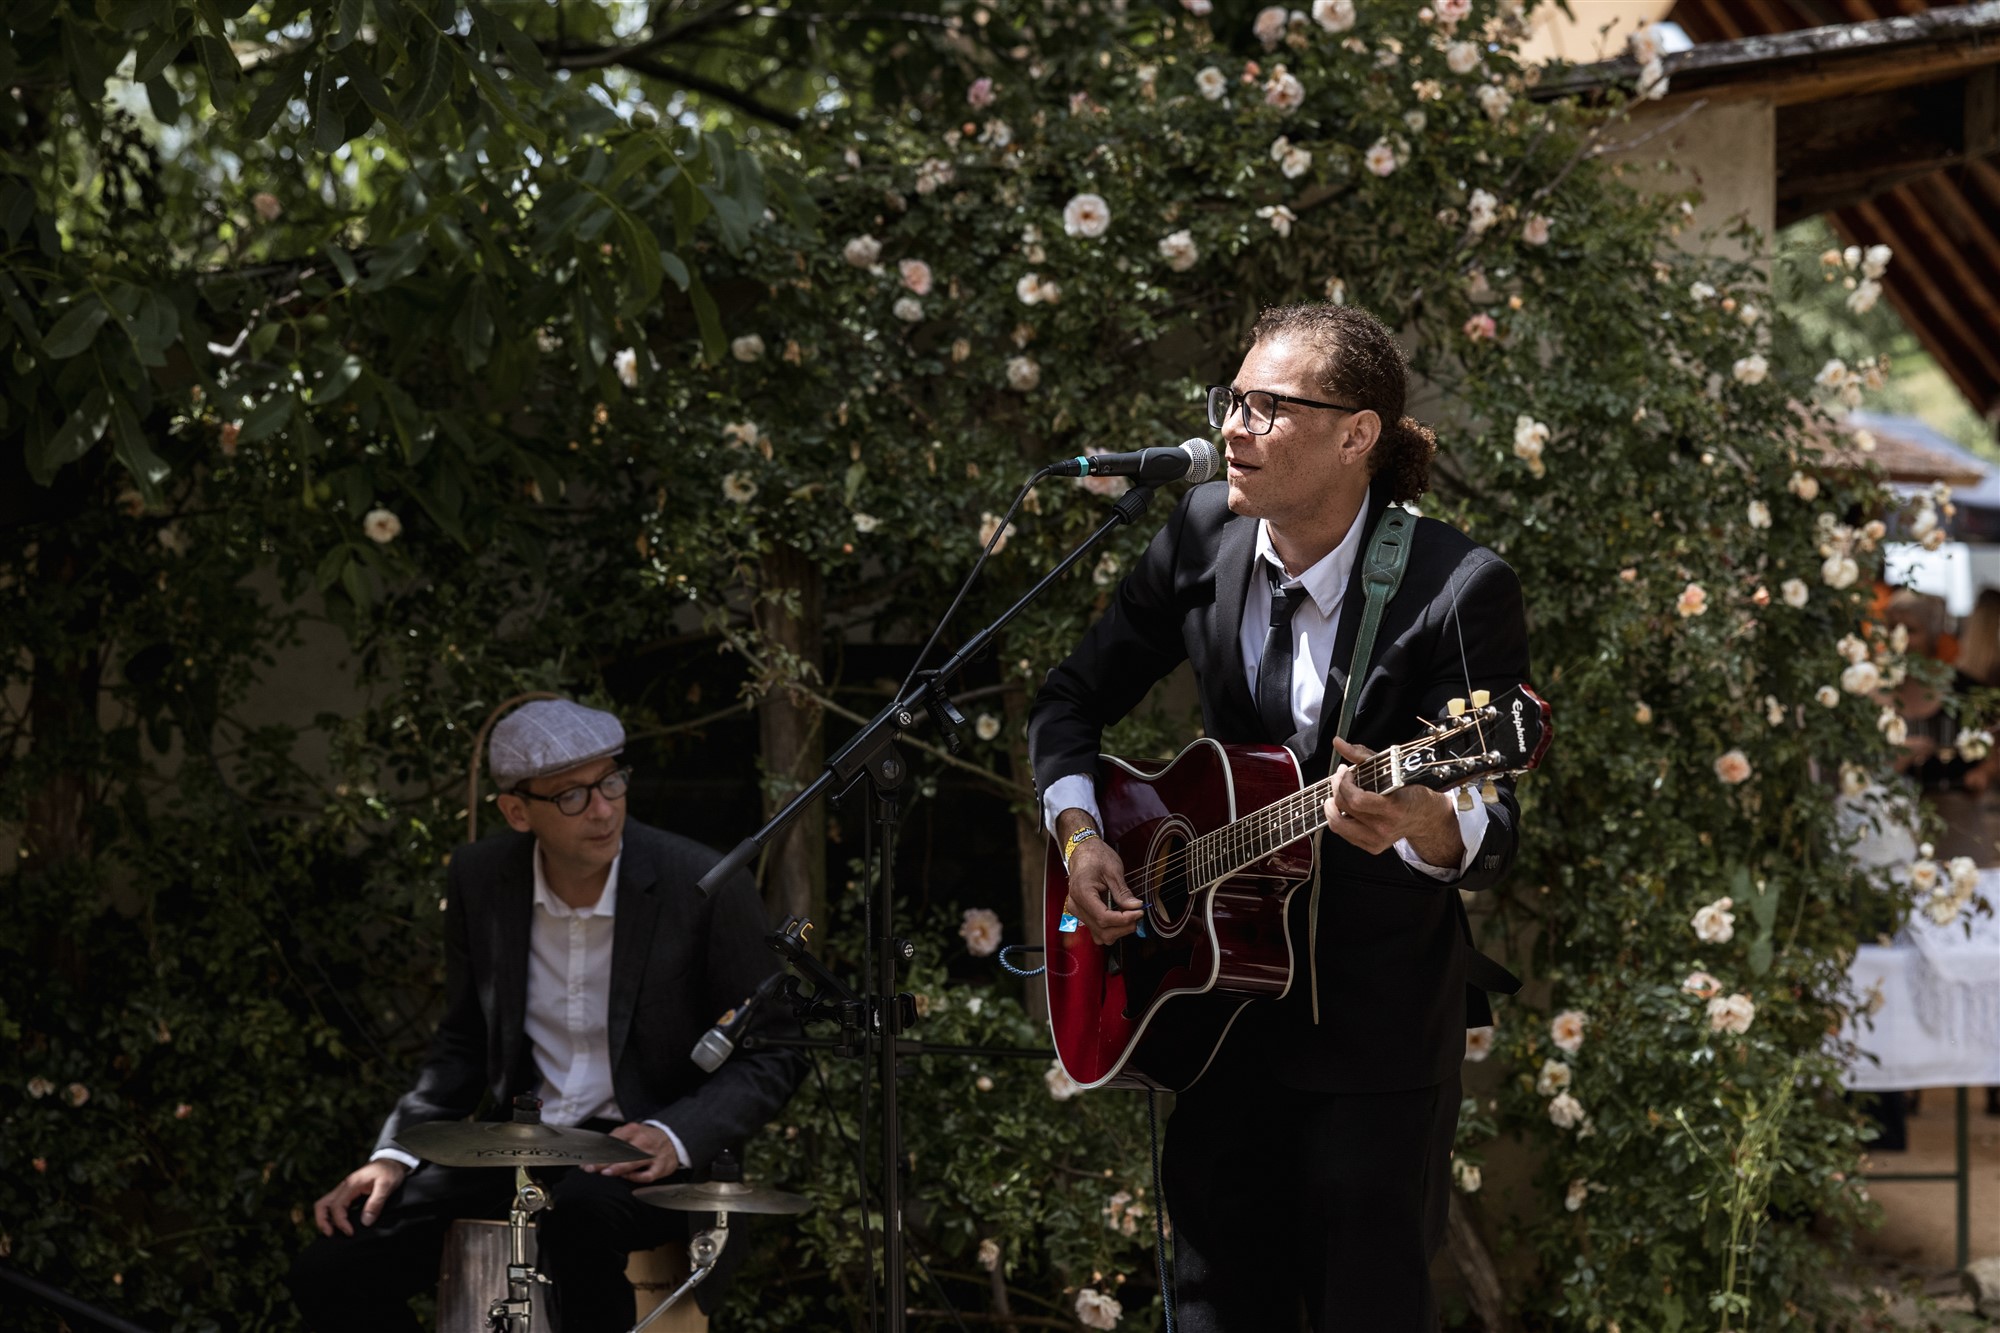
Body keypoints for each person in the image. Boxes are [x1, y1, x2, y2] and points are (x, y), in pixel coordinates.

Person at [1029, 303, 1530, 1333]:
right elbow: (1067, 704)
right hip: (1213, 1020)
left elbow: (1490, 824)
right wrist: (1083, 837)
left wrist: (1422, 822)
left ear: (1357, 435)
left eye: (1266, 405)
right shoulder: (1201, 534)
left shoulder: (1453, 588)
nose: (1232, 428)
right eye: (1231, 400)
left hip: (1373, 1039)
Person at [288, 699, 801, 1333]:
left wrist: (676, 1134)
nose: (604, 808)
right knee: (331, 1271)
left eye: (611, 781)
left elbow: (775, 1049)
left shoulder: (699, 882)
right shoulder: (482, 879)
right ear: (516, 810)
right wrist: (394, 1153)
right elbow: (462, 1043)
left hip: (644, 1158)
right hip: (520, 1149)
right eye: (573, 797)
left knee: (580, 1222)